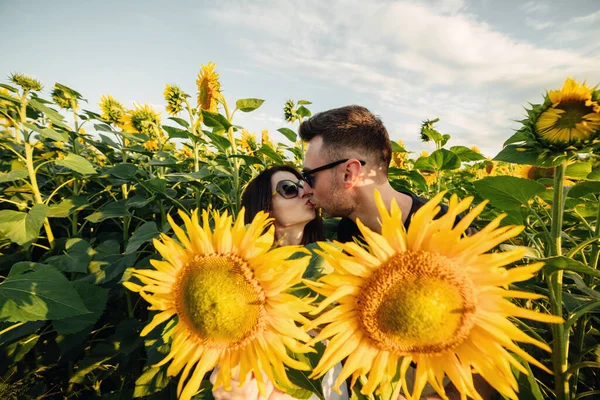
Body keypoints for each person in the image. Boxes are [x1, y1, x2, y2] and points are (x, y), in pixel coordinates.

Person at [298, 105, 490, 400]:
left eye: (310, 176)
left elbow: (484, 365)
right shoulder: (351, 232)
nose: (306, 188)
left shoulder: (451, 231)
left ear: (349, 172)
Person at [211, 165, 347, 400]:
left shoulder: (330, 260)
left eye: (305, 184)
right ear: (264, 205)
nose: (305, 191)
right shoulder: (240, 276)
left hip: (330, 384)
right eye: (289, 189)